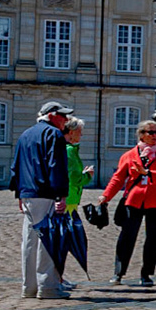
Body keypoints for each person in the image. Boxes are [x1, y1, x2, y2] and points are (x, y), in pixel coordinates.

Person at [11, 100, 72, 300]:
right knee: (49, 240)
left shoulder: (25, 134)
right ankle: (48, 286)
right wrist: (61, 195)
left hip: (28, 193)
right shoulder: (54, 134)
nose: (66, 120)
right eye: (63, 116)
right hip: (45, 193)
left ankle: (29, 286)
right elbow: (57, 166)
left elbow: (16, 167)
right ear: (52, 115)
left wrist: (19, 193)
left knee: (30, 241)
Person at [102, 120, 156, 286]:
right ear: (142, 134)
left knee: (154, 238)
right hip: (134, 200)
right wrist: (106, 196)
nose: (155, 136)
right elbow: (118, 178)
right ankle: (118, 272)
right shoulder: (129, 155)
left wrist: (147, 172)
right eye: (151, 133)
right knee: (126, 237)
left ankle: (146, 273)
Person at [60, 116, 93, 290]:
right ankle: (58, 278)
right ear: (71, 133)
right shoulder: (70, 151)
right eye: (79, 132)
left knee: (65, 240)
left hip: (70, 199)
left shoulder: (68, 149)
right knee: (64, 241)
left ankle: (58, 277)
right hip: (69, 200)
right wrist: (87, 175)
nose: (81, 135)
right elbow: (74, 177)